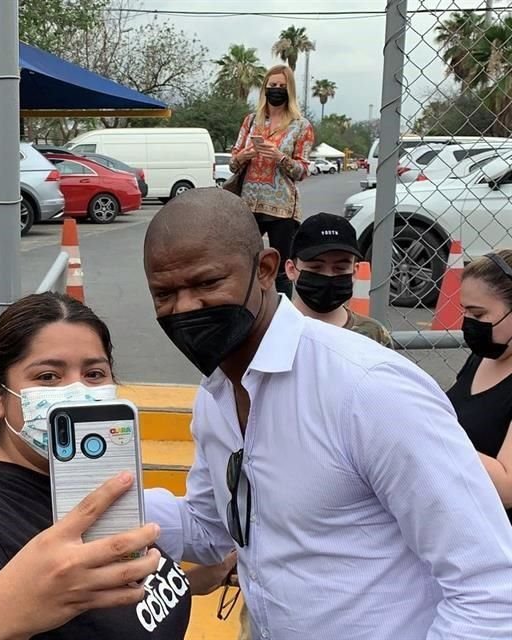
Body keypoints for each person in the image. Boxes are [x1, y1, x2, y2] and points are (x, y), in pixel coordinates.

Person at [142, 189, 512, 640]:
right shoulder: (215, 397)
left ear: (265, 270)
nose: (184, 308)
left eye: (206, 284)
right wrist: (101, 494)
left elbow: (490, 586)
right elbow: (210, 530)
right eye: (164, 293)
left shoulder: (367, 388)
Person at [0, 292, 235, 640]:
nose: (77, 392)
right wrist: (4, 614)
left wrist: (188, 582)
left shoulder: (86, 487)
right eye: (48, 377)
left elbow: (105, 616)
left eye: (94, 373)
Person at [229, 64, 314, 297]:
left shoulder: (301, 126)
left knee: (281, 267)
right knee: (245, 260)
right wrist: (245, 155)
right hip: (248, 203)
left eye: (281, 86)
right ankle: (249, 307)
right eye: (272, 85)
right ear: (264, 88)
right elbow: (232, 162)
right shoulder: (250, 122)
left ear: (290, 91)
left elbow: (303, 171)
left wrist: (280, 157)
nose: (276, 90)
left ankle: (282, 312)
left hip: (282, 208)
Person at [446, 250, 512, 524]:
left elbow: (508, 488)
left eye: (478, 313)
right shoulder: (484, 356)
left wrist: (432, 437)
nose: (469, 324)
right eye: (465, 311)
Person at [284, 212, 392, 347]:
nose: (329, 276)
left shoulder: (373, 335)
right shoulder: (271, 329)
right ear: (291, 269)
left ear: (354, 271)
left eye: (340, 268)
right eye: (315, 268)